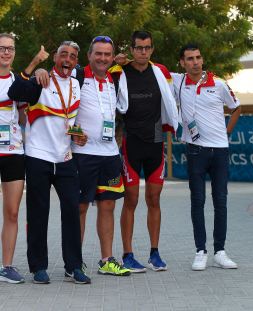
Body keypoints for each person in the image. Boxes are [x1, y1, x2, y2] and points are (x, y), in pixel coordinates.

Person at [35, 36, 129, 276]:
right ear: (89, 55)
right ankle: (76, 262)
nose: (103, 58)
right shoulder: (78, 75)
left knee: (108, 205)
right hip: (82, 154)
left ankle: (107, 260)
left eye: (107, 54)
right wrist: (40, 70)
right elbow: (65, 105)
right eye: (98, 53)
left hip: (109, 153)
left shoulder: (116, 77)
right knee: (81, 207)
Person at [8, 41, 91, 284]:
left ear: (76, 62)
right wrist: (35, 69)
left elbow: (69, 119)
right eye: (63, 55)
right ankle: (38, 267)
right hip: (38, 156)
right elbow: (15, 93)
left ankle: (74, 266)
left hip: (65, 158)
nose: (68, 59)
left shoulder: (77, 83)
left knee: (72, 213)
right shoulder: (41, 80)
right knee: (37, 213)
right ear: (55, 58)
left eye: (72, 57)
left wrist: (79, 134)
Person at [0, 33, 48, 286]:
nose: (6, 53)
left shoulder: (19, 79)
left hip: (14, 154)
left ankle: (7, 266)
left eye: (11, 49)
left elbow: (24, 116)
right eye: (1, 48)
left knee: (12, 213)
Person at [111, 30, 178, 272]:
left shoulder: (160, 72)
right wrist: (113, 63)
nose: (143, 52)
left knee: (154, 199)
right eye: (138, 48)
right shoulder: (120, 72)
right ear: (131, 49)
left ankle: (154, 253)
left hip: (156, 141)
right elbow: (99, 75)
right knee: (131, 200)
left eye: (147, 48)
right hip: (131, 141)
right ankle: (127, 255)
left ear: (152, 49)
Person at [171, 43, 241, 271]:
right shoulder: (178, 82)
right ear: (182, 63)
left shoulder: (219, 84)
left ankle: (220, 251)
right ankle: (200, 251)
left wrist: (227, 133)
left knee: (220, 201)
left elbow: (236, 107)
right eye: (190, 59)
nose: (195, 62)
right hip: (195, 150)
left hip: (220, 151)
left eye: (198, 57)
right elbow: (154, 69)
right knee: (197, 202)